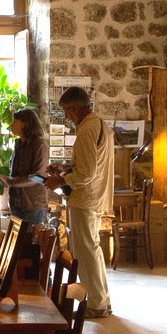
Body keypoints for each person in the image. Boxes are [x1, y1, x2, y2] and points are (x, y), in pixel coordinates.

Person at [49, 86, 114, 318]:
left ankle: (96, 305)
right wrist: (66, 168)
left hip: (86, 199)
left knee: (86, 254)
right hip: (95, 197)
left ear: (75, 107)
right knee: (92, 251)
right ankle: (102, 301)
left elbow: (86, 173)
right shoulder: (99, 124)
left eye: (67, 111)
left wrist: (59, 180)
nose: (67, 116)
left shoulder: (87, 129)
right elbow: (89, 166)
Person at [4, 107, 50, 227]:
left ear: (24, 123)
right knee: (16, 238)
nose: (11, 125)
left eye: (15, 121)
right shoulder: (18, 144)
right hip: (16, 202)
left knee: (32, 238)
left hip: (32, 203)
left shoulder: (39, 145)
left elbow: (38, 177)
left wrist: (11, 182)